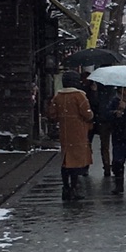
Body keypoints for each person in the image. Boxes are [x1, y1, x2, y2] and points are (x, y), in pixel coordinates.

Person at [45, 71, 93, 203]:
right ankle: (74, 187)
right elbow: (87, 114)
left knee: (66, 161)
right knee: (76, 161)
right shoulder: (79, 96)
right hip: (79, 132)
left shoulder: (58, 97)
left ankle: (66, 188)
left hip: (65, 133)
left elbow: (52, 114)